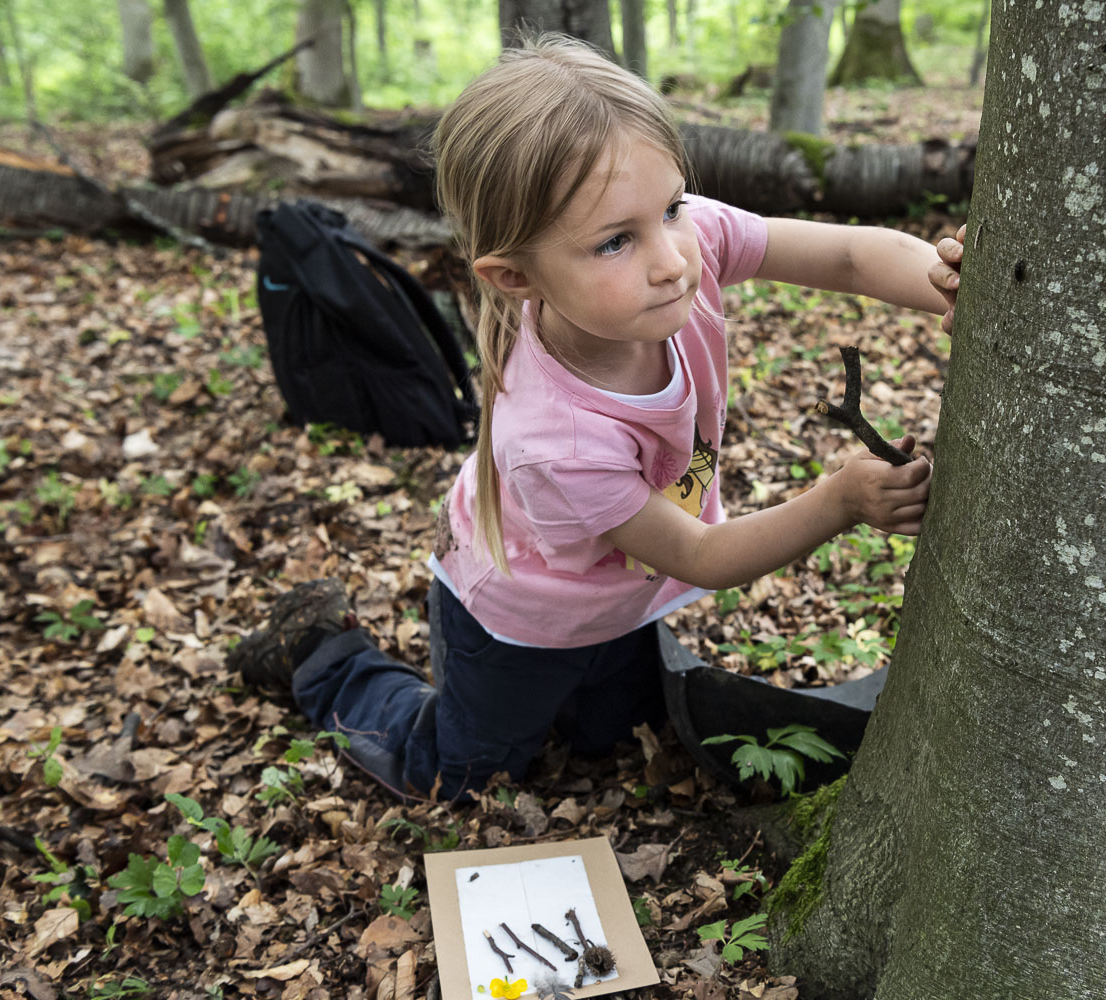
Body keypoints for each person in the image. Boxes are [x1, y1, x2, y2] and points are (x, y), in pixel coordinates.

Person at [227, 34, 968, 801]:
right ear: (516, 276)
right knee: (461, 773)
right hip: (519, 619)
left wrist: (950, 286)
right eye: (616, 241)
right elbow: (704, 556)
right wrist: (841, 499)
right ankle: (324, 650)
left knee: (607, 734)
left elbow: (846, 255)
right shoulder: (555, 439)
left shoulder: (682, 243)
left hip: (622, 593)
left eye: (671, 206)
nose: (673, 258)